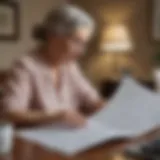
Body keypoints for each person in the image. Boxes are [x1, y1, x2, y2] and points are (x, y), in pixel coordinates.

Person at [1, 4, 104, 128]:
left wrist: (106, 107)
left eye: (84, 44)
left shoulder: (70, 66)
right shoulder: (25, 66)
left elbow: (91, 99)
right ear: (53, 36)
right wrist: (56, 116)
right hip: (34, 142)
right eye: (76, 41)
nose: (82, 51)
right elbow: (10, 113)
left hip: (67, 138)